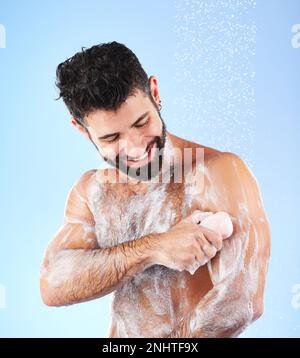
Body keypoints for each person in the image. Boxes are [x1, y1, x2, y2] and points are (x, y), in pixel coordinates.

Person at [40, 41, 271, 338]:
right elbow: (54, 284)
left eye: (141, 122)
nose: (136, 148)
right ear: (82, 130)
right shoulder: (92, 191)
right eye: (112, 138)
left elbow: (243, 301)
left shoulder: (218, 172)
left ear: (156, 94)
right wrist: (153, 248)